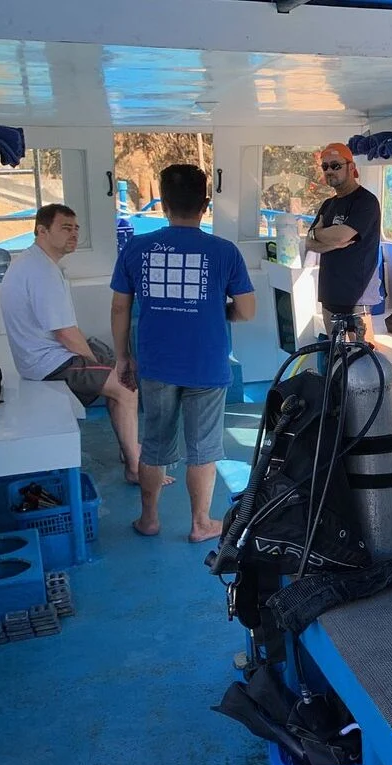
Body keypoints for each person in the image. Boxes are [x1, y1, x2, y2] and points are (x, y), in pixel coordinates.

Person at [110, 164, 256, 543]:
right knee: (203, 449)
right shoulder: (224, 251)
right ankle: (201, 523)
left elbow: (119, 308)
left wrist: (123, 357)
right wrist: (217, 310)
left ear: (164, 203)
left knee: (155, 442)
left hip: (156, 363)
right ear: (205, 204)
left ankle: (149, 519)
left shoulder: (136, 248)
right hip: (206, 364)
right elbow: (247, 310)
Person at [0, 203, 160, 485]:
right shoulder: (41, 272)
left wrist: (102, 362)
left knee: (121, 373)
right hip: (47, 362)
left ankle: (129, 449)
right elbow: (64, 333)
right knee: (125, 388)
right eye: (65, 228)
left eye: (76, 229)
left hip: (44, 354)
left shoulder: (36, 262)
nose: (73, 234)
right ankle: (135, 468)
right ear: (41, 231)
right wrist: (94, 362)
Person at [305, 142, 383, 343]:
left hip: (358, 297)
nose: (330, 170)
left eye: (336, 165)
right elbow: (309, 243)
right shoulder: (328, 204)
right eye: (325, 166)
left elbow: (341, 235)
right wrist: (331, 240)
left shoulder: (366, 202)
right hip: (329, 295)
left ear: (350, 166)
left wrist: (320, 233)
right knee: (337, 356)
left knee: (365, 357)